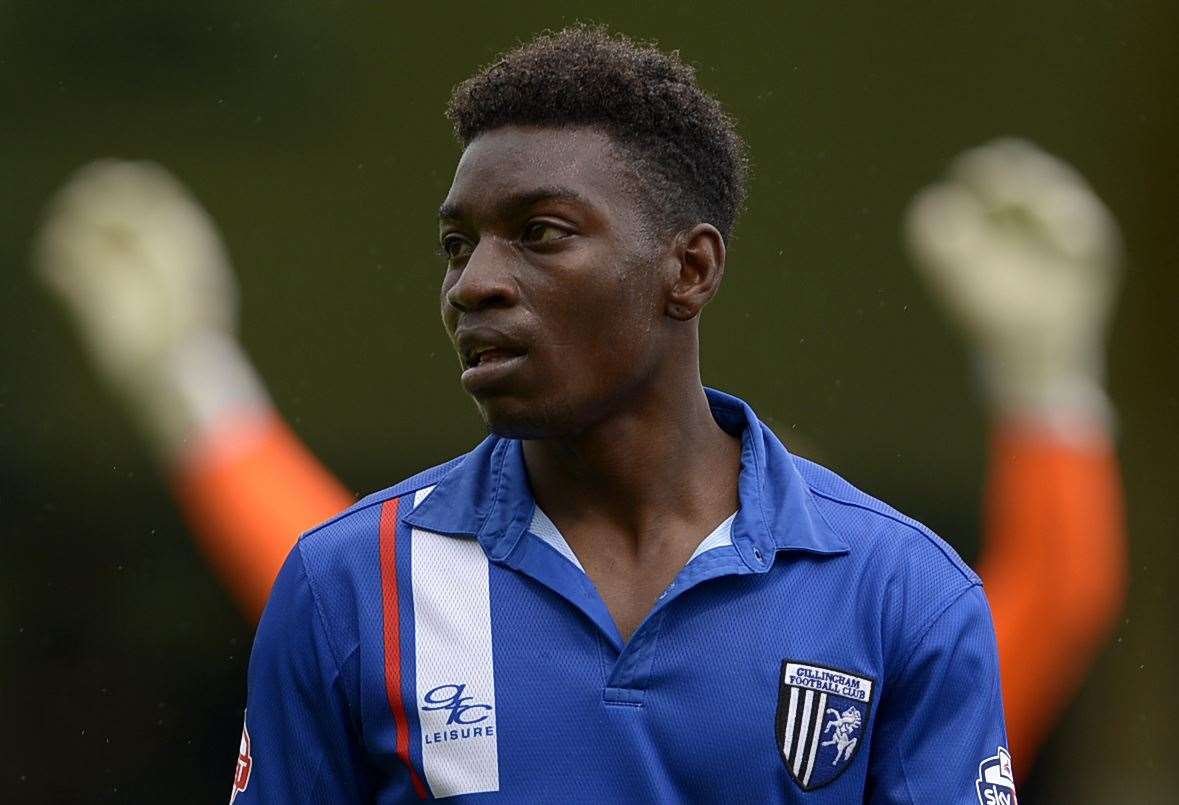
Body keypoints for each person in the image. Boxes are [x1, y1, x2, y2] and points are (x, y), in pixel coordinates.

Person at [41, 27, 1127, 798]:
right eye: (456, 246)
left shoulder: (890, 592)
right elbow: (317, 567)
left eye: (543, 233)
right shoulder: (371, 580)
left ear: (690, 272)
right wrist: (187, 376)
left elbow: (1058, 593)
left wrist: (1050, 370)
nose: (472, 284)